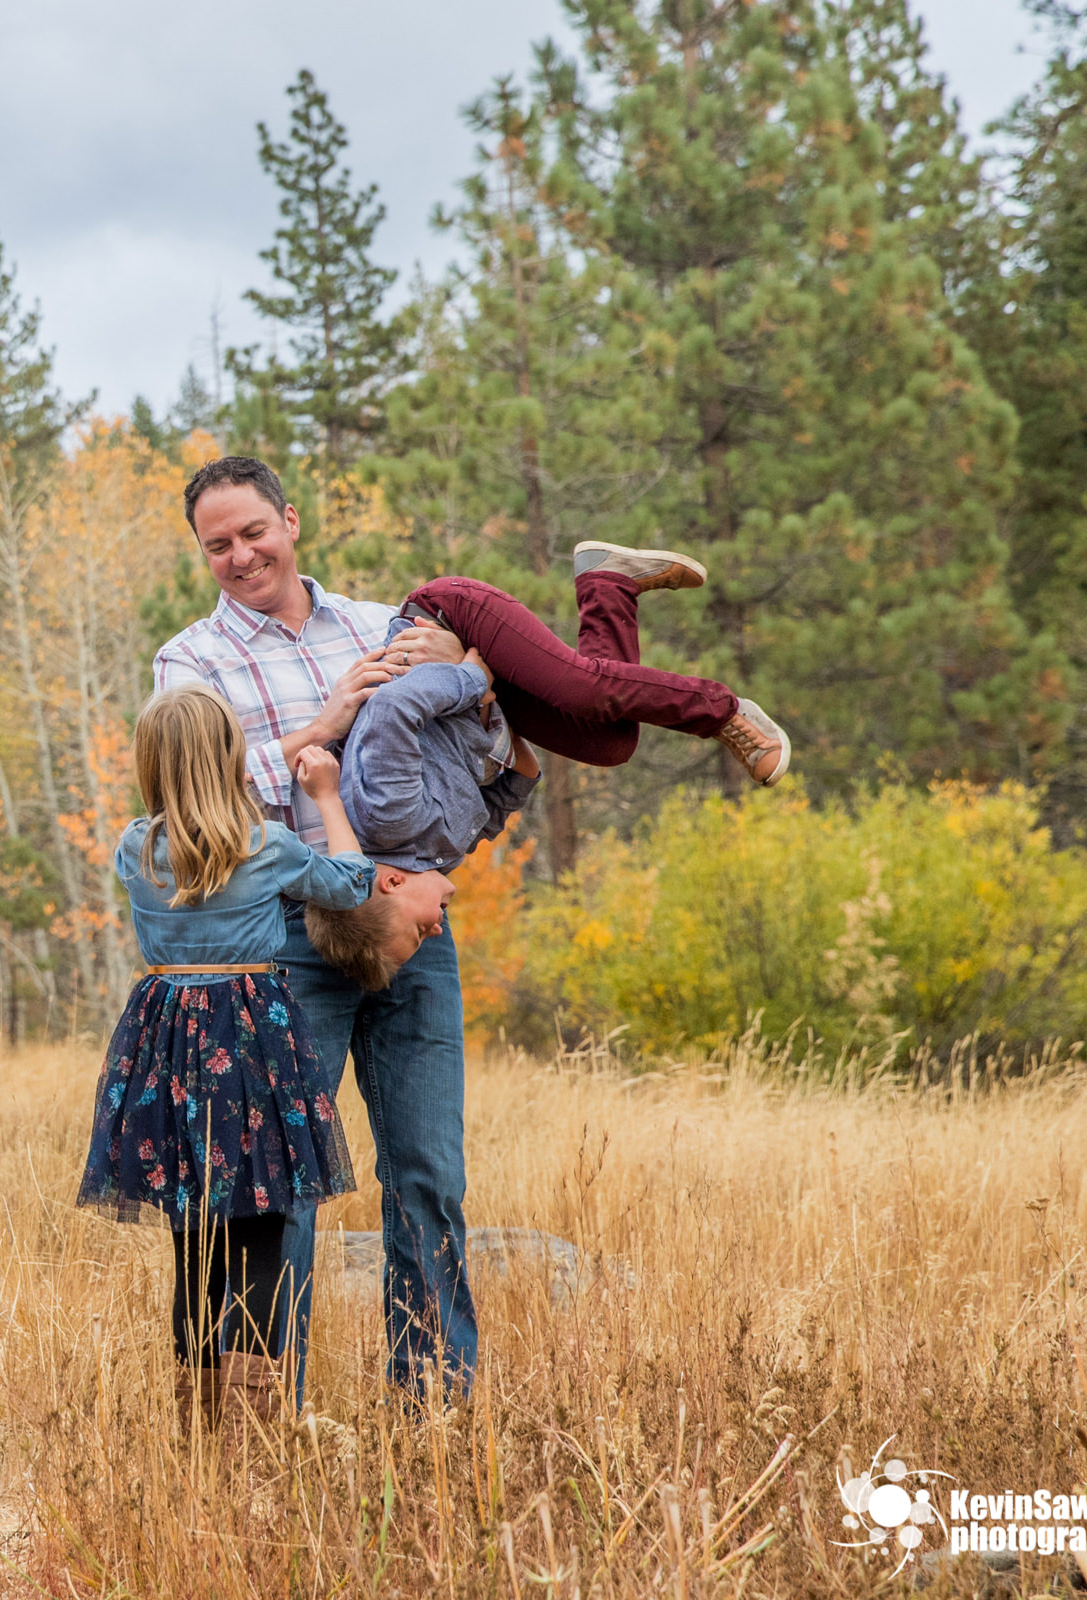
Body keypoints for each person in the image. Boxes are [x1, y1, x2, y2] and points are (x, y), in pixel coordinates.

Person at [151, 454, 477, 1403]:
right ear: (202, 553)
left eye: (254, 531)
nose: (241, 554)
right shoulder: (191, 662)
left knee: (428, 1171)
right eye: (218, 544)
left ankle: (434, 1403)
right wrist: (322, 724)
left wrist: (435, 875)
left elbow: (463, 741)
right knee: (282, 1182)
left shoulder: (387, 624)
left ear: (290, 521)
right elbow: (189, 795)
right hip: (288, 941)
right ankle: (267, 1414)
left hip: (413, 924)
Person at [77, 687, 369, 1438]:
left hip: (167, 1041)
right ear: (232, 759)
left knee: (193, 1243)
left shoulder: (134, 848)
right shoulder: (263, 845)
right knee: (263, 1233)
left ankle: (201, 1433)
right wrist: (328, 798)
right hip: (251, 1043)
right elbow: (351, 886)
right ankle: (254, 1433)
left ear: (151, 766)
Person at [317, 543, 791, 986]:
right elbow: (484, 818)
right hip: (477, 686)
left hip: (445, 623)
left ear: (391, 882)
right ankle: (609, 585)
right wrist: (520, 777)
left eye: (418, 933)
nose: (435, 932)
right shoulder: (438, 857)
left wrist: (467, 676)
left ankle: (722, 711)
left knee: (584, 692)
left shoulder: (385, 817)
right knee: (608, 744)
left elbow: (391, 711)